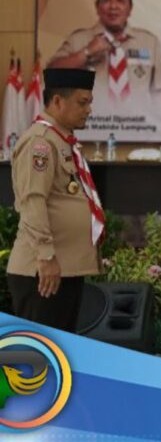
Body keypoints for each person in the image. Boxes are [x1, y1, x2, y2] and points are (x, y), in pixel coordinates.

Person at [6, 68, 104, 331]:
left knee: (60, 350)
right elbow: (32, 201)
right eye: (82, 102)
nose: (89, 110)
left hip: (63, 269)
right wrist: (46, 256)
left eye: (90, 102)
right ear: (58, 101)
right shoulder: (40, 143)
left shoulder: (62, 142)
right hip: (42, 271)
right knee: (42, 351)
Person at [47, 0, 161, 107]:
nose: (113, 6)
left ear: (130, 8)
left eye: (120, 0)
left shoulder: (149, 43)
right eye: (106, 0)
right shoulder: (79, 40)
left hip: (136, 119)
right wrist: (86, 53)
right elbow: (52, 76)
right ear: (97, 7)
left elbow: (160, 94)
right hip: (92, 119)